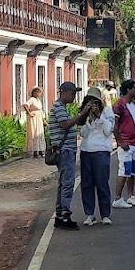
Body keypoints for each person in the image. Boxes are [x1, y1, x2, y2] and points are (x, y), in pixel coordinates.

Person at [48, 80, 88, 229]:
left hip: (66, 150)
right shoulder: (58, 107)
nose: (73, 97)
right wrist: (82, 114)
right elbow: (65, 125)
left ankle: (60, 214)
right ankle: (65, 215)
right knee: (68, 183)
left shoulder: (63, 108)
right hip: (65, 151)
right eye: (72, 94)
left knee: (63, 183)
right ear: (63, 93)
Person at [79, 87, 115, 226]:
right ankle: (89, 214)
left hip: (101, 151)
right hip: (86, 151)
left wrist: (99, 116)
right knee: (87, 184)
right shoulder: (84, 114)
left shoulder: (107, 112)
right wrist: (88, 117)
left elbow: (108, 130)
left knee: (102, 183)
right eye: (89, 101)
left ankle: (105, 214)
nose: (92, 104)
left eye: (95, 101)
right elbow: (83, 134)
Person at [112, 78, 135, 208]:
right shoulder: (119, 105)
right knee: (124, 171)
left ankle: (131, 196)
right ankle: (118, 198)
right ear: (129, 90)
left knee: (132, 172)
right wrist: (120, 141)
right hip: (126, 144)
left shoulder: (134, 104)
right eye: (134, 88)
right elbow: (114, 125)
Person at [22, 86, 45, 159]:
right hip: (34, 118)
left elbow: (40, 110)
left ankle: (40, 150)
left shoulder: (38, 100)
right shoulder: (32, 99)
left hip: (39, 118)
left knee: (40, 133)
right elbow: (25, 105)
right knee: (34, 133)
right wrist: (29, 113)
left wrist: (43, 119)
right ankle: (35, 151)